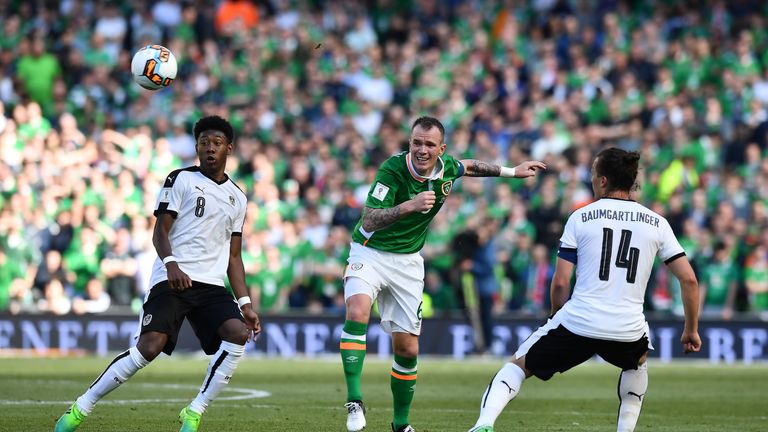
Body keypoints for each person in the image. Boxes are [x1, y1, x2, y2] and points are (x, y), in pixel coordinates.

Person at [467, 148, 702, 432]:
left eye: (592, 174)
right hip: (627, 328)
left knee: (518, 365)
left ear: (602, 181)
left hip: (579, 321)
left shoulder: (581, 217)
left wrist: (556, 316)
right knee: (637, 363)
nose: (591, 179)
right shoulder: (657, 223)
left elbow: (562, 280)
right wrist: (691, 330)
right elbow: (689, 280)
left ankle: (484, 424)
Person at [54, 115, 260, 432]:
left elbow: (234, 255)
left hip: (210, 286)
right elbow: (159, 232)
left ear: (228, 149)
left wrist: (245, 302)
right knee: (148, 348)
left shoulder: (239, 198)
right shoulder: (180, 179)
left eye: (216, 143)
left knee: (238, 334)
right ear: (196, 147)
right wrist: (171, 264)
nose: (209, 148)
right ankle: (81, 407)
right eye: (204, 142)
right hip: (171, 278)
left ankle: (194, 411)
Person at [340, 116, 546, 432]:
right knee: (357, 310)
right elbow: (368, 220)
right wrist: (409, 206)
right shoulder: (392, 170)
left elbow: (472, 166)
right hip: (369, 253)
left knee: (407, 348)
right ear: (409, 143)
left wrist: (512, 171)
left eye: (429, 144)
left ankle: (401, 424)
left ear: (441, 148)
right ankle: (354, 401)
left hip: (408, 262)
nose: (422, 150)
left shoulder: (447, 168)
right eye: (416, 143)